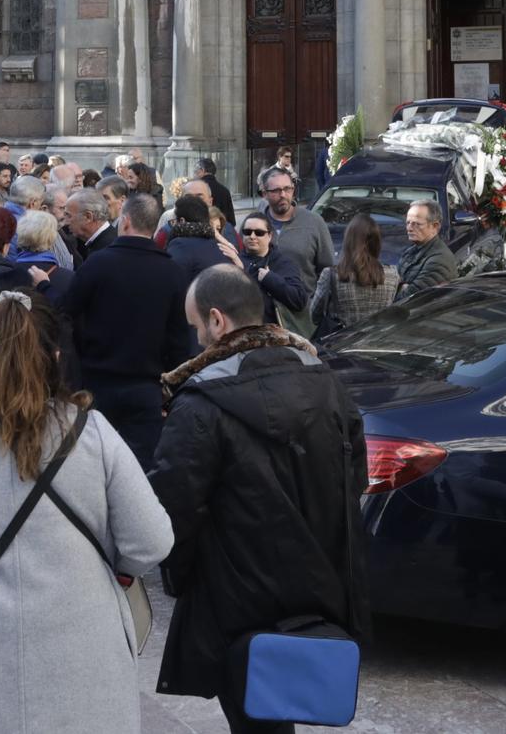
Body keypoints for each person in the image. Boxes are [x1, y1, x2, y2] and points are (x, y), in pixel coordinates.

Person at [0, 292, 173, 731]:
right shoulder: (90, 431)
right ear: (56, 357)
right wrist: (115, 563)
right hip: (80, 656)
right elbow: (152, 539)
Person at [149, 266, 367, 734]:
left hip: (233, 592)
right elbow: (355, 479)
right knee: (273, 712)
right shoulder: (325, 381)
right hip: (316, 582)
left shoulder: (200, 401)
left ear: (217, 321)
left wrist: (180, 577)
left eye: (195, 329)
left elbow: (174, 508)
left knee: (253, 713)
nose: (196, 341)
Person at [61, 193, 193, 468]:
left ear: (125, 220)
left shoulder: (97, 264)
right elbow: (180, 340)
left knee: (94, 464)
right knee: (142, 469)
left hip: (98, 384)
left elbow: (65, 313)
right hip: (147, 387)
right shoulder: (173, 272)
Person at [257, 165, 332, 333]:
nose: (283, 195)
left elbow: (327, 271)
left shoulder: (313, 222)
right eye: (276, 190)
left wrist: (316, 307)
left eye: (287, 189)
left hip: (303, 321)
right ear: (265, 194)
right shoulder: (254, 224)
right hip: (263, 322)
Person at [309, 211, 390, 334]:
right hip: (378, 344)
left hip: (340, 344)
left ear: (348, 241)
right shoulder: (393, 275)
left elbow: (315, 315)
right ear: (377, 242)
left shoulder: (331, 274)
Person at [234, 212, 311, 330]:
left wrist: (270, 279)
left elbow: (299, 300)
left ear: (269, 236)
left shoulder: (283, 263)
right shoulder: (235, 261)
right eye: (247, 232)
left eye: (259, 233)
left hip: (274, 336)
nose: (252, 236)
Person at [162, 193, 233, 286]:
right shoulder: (218, 246)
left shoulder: (180, 245)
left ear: (182, 221)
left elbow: (171, 282)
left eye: (174, 220)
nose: (172, 224)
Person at [398, 200, 465, 294]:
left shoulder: (439, 260)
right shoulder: (412, 250)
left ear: (435, 226)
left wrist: (398, 287)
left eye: (417, 224)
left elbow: (410, 298)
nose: (409, 228)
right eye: (408, 223)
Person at [194, 156, 235, 226]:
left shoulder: (195, 189)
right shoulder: (225, 190)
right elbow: (232, 221)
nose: (195, 174)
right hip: (223, 230)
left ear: (202, 170)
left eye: (196, 171)